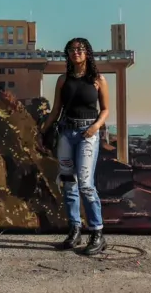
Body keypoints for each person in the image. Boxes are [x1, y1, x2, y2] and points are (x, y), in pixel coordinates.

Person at [40, 37, 110, 255]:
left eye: (80, 49)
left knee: (86, 185)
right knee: (69, 183)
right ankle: (75, 229)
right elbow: (56, 110)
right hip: (66, 135)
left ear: (87, 52)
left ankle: (97, 232)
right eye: (71, 49)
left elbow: (106, 109)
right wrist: (42, 130)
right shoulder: (63, 80)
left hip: (88, 134)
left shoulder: (98, 79)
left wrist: (96, 127)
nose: (75, 52)